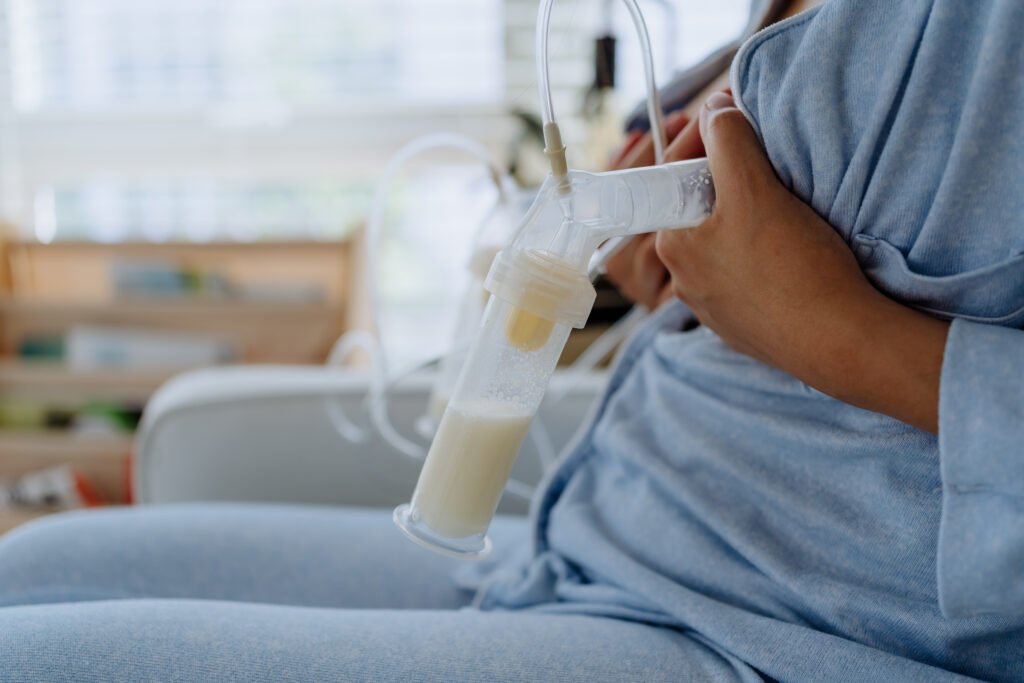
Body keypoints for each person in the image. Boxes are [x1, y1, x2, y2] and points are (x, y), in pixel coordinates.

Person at [1, 0, 1023, 680]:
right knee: (34, 567)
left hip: (784, 618)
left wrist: (829, 330)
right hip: (599, 522)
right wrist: (687, 236)